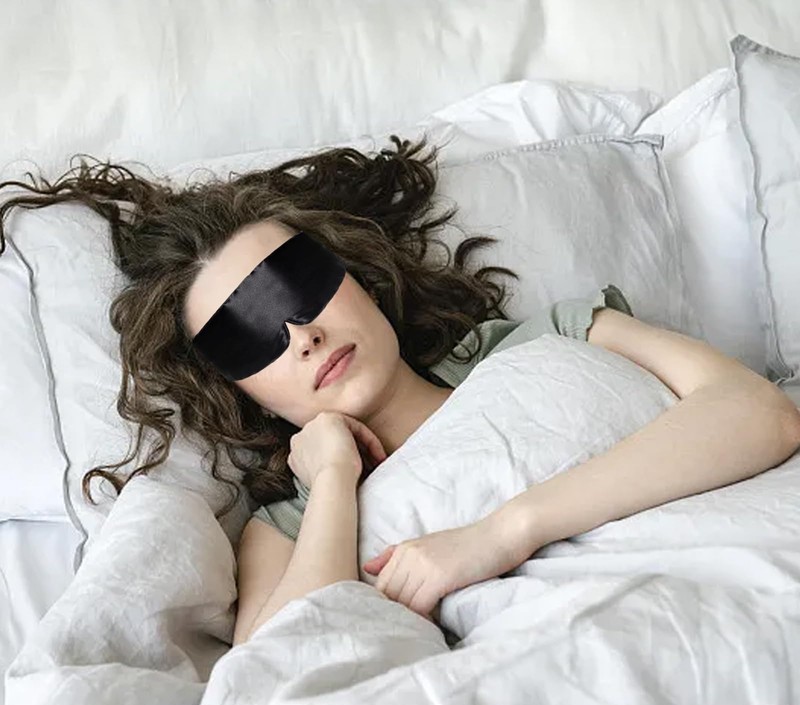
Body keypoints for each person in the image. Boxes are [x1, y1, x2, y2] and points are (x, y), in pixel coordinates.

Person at [2, 134, 799, 649]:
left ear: (357, 278)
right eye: (249, 337)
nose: (301, 335)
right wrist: (334, 481)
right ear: (243, 393)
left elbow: (759, 412)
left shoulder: (549, 336)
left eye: (296, 289)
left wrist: (503, 532)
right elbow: (281, 675)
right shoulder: (282, 531)